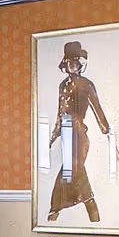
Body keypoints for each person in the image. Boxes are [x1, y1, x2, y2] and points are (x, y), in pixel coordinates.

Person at [46, 39, 112, 223]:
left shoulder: (86, 84)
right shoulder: (62, 86)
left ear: (81, 64)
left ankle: (56, 211)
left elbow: (98, 110)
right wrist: (53, 135)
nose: (72, 65)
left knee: (72, 171)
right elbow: (60, 114)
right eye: (69, 61)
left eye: (76, 61)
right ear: (65, 64)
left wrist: (109, 137)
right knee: (71, 173)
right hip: (66, 134)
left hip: (79, 134)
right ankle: (91, 211)